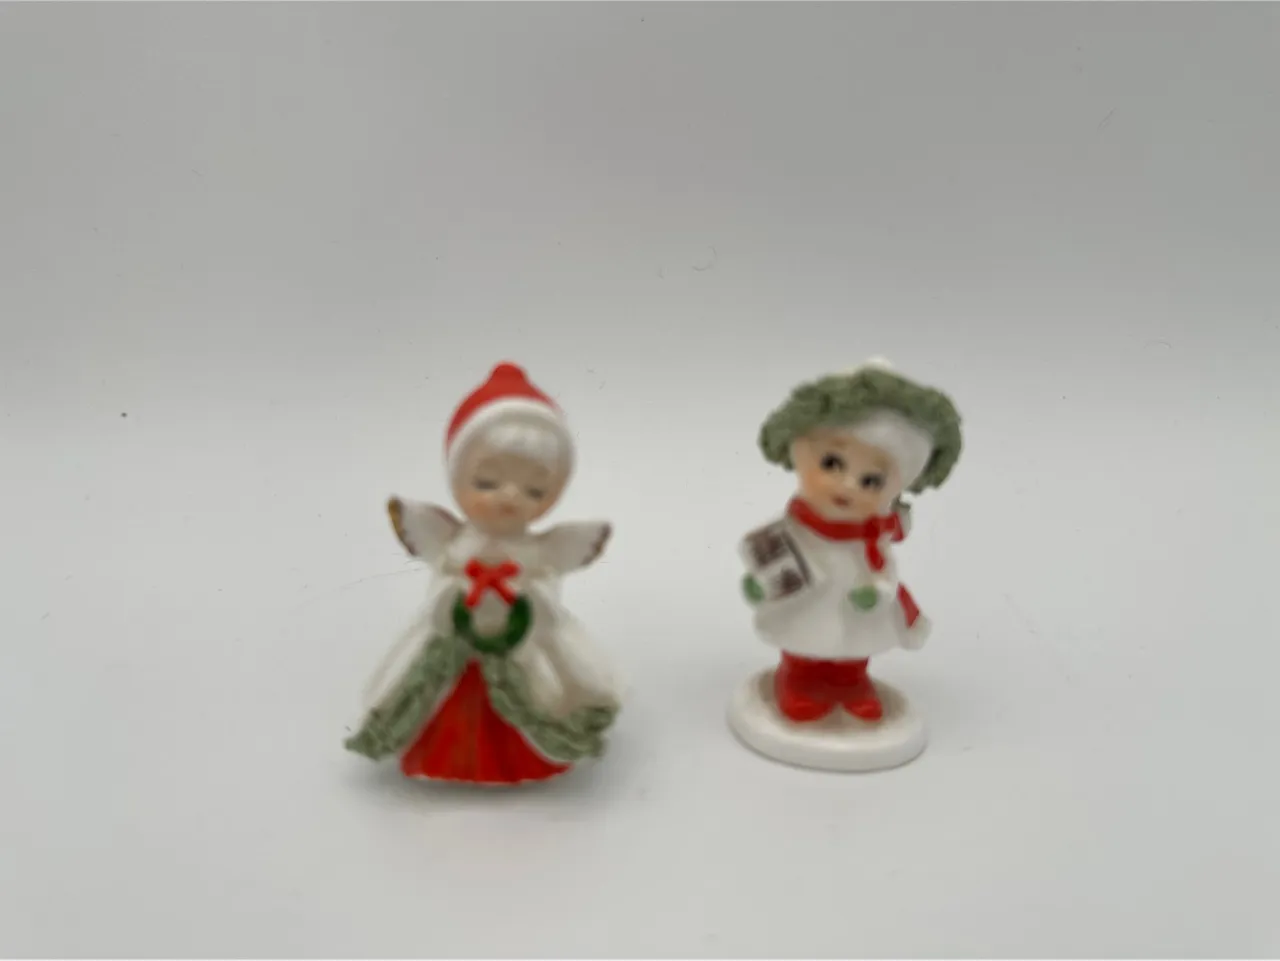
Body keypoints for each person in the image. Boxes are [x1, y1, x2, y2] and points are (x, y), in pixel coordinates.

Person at [345, 362, 620, 785]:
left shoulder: (534, 552)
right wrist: (457, 594)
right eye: (487, 482)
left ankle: (524, 755)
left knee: (536, 689)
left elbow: (546, 589)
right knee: (440, 692)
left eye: (534, 490)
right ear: (457, 477)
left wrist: (530, 602)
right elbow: (442, 583)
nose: (510, 497)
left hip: (518, 643)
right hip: (458, 641)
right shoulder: (456, 544)